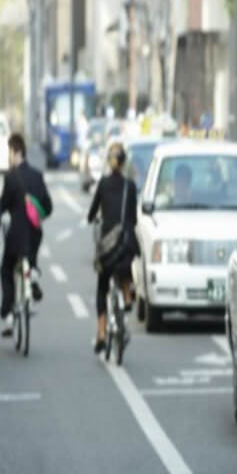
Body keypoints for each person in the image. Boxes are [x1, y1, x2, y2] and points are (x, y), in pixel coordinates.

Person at [87, 141, 139, 355]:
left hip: (108, 247)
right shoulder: (131, 186)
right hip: (126, 244)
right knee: (126, 265)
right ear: (124, 163)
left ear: (109, 162)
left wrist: (94, 217)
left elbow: (92, 213)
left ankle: (101, 332)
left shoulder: (103, 184)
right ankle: (127, 296)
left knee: (102, 286)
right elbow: (133, 218)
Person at [0, 133, 53, 335]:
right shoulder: (37, 176)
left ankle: (8, 313)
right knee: (30, 257)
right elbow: (49, 207)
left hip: (16, 235)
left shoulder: (11, 178)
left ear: (15, 152)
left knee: (6, 270)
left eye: (9, 152)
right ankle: (34, 274)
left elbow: (1, 206)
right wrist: (37, 214)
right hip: (35, 234)